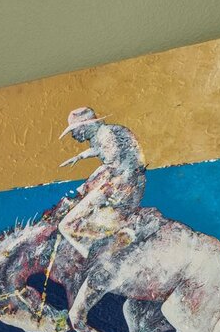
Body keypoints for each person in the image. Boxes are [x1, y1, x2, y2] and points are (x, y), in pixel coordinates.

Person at [54, 107, 155, 256]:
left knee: (65, 225)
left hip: (120, 185)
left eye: (75, 130)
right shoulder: (107, 132)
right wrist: (79, 157)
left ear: (85, 126)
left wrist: (87, 185)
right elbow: (101, 150)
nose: (74, 135)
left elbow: (111, 162)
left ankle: (90, 254)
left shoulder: (105, 135)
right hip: (132, 183)